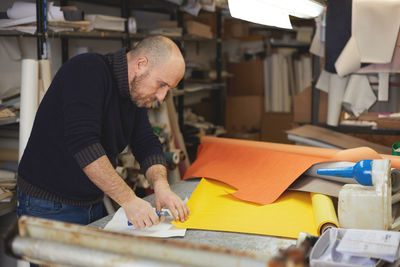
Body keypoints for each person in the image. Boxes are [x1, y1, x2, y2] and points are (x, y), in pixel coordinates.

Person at [17, 35, 189, 229]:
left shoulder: (134, 93)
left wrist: (161, 186)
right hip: (49, 204)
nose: (161, 96)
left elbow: (146, 141)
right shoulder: (86, 71)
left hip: (90, 201)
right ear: (141, 64)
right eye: (162, 84)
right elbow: (84, 144)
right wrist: (129, 200)